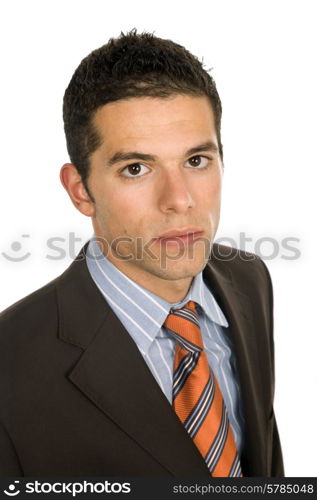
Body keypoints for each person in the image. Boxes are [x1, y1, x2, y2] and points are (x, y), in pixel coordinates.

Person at [0, 29, 283, 477]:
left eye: (196, 161)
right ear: (80, 191)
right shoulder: (10, 362)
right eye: (136, 168)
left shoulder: (250, 279)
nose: (179, 200)